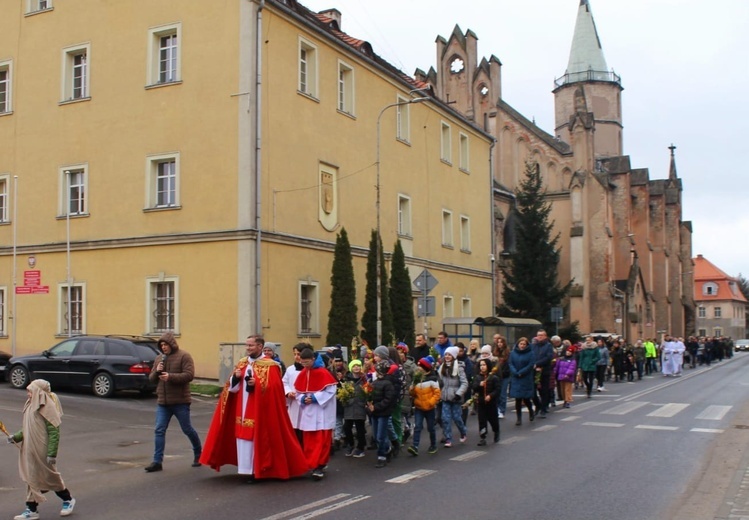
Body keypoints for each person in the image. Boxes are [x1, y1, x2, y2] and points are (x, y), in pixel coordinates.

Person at [200, 335, 309, 482]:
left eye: (251, 345)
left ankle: (256, 470)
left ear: (260, 347)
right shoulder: (242, 363)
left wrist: (256, 384)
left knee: (256, 438)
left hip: (261, 410)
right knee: (242, 438)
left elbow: (275, 389)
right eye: (247, 345)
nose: (248, 348)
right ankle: (245, 469)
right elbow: (231, 389)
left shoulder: (271, 365)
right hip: (241, 408)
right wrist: (236, 378)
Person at [8, 379, 76, 520]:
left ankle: (68, 500)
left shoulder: (48, 407)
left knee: (50, 477)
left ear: (38, 392)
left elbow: (54, 432)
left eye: (30, 391)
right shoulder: (30, 405)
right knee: (31, 478)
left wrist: (51, 454)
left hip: (42, 451)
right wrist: (17, 437)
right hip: (30, 449)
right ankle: (31, 509)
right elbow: (28, 427)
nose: (28, 394)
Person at [145, 331, 202, 472]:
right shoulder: (159, 358)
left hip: (180, 401)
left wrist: (170, 377)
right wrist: (157, 372)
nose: (164, 347)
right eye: (162, 345)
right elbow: (151, 379)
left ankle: (198, 453)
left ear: (172, 344)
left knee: (187, 429)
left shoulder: (184, 356)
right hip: (163, 402)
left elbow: (189, 375)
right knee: (159, 430)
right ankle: (157, 461)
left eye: (166, 344)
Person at [294, 348, 338, 479]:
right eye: (303, 362)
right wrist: (302, 398)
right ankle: (311, 463)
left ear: (313, 359)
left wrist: (315, 398)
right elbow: (298, 391)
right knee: (309, 441)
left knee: (322, 440)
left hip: (321, 411)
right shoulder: (303, 373)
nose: (305, 365)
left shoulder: (323, 373)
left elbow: (330, 390)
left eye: (307, 362)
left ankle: (320, 465)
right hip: (308, 411)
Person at [407, 356, 441, 456]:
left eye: (420, 366)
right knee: (417, 426)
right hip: (419, 408)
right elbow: (412, 394)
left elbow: (437, 394)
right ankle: (415, 446)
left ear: (425, 367)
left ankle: (433, 445)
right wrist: (412, 389)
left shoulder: (432, 380)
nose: (418, 368)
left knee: (431, 428)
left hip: (429, 408)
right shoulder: (417, 379)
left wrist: (431, 402)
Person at [369, 360, 397, 468]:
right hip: (375, 413)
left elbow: (388, 400)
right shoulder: (374, 383)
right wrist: (369, 405)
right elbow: (370, 397)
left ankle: (382, 456)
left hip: (383, 413)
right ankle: (388, 448)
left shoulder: (388, 384)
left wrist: (375, 407)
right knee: (376, 435)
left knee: (380, 435)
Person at [438, 346, 468, 447]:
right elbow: (439, 381)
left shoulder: (459, 368)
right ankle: (448, 439)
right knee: (445, 418)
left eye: (449, 355)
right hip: (445, 397)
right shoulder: (442, 367)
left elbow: (464, 383)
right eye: (446, 354)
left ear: (454, 356)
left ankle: (463, 432)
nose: (447, 356)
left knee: (456, 418)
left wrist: (459, 394)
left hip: (455, 397)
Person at [471, 358, 500, 445]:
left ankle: (496, 431)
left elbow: (497, 390)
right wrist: (479, 385)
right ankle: (483, 437)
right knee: (482, 420)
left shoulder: (494, 378)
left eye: (484, 365)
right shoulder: (477, 377)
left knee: (493, 419)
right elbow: (474, 388)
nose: (482, 367)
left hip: (491, 403)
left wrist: (490, 396)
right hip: (481, 403)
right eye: (481, 365)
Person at [342, 359, 368, 458]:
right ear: (350, 368)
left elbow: (368, 391)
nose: (356, 367)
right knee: (347, 427)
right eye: (354, 366)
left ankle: (361, 447)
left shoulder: (364, 379)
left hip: (360, 406)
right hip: (349, 406)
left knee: (360, 427)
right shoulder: (346, 380)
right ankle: (350, 444)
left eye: (358, 365)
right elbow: (343, 393)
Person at [509, 337, 536, 426]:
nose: (522, 346)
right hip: (516, 377)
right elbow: (510, 363)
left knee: (526, 398)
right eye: (521, 344)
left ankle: (531, 411)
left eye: (524, 344)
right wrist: (515, 372)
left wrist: (521, 372)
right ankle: (519, 418)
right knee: (518, 399)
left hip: (525, 377)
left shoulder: (530, 353)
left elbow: (530, 365)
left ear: (527, 345)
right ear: (518, 344)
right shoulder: (513, 353)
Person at [282, 344, 305, 445]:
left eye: (299, 354)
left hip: (306, 404)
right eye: (294, 354)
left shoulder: (309, 369)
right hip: (294, 403)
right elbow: (284, 382)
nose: (296, 356)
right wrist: (288, 392)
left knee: (304, 429)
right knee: (294, 428)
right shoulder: (290, 369)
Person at [531, 330, 554, 418]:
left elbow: (548, 357)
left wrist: (538, 363)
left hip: (544, 370)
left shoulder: (548, 346)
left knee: (544, 390)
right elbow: (531, 355)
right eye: (538, 335)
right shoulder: (533, 346)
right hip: (534, 371)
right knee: (532, 390)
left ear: (545, 336)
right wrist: (533, 364)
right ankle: (538, 405)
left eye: (541, 335)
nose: (539, 337)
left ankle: (543, 409)